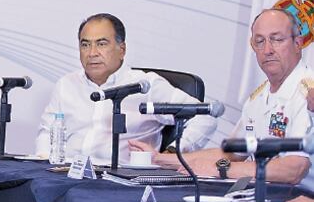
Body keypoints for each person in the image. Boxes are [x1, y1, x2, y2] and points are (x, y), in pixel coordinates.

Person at [139, 9, 312, 184]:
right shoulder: (258, 98)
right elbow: (231, 153)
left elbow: (294, 169)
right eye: (259, 41)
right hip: (257, 192)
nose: (267, 49)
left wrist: (220, 169)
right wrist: (160, 159)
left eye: (277, 40)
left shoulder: (308, 94)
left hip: (299, 201)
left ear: (298, 43)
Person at [35, 13, 215, 165]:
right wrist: (43, 165)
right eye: (85, 44)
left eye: (102, 43)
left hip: (121, 182)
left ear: (122, 49)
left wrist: (172, 153)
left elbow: (204, 116)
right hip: (65, 174)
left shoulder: (145, 85)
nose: (92, 53)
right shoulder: (67, 84)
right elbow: (46, 132)